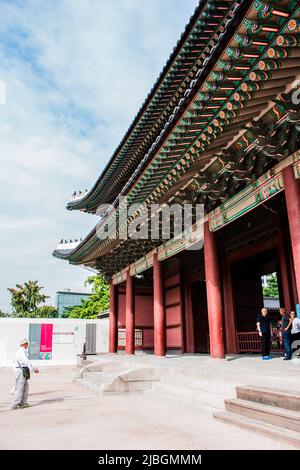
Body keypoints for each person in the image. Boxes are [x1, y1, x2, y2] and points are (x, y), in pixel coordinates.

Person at [11, 338, 39, 410]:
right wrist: (33, 368)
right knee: (19, 388)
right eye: (27, 344)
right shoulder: (21, 352)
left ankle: (23, 402)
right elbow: (25, 361)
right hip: (20, 371)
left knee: (25, 387)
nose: (28, 345)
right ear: (24, 344)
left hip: (22, 371)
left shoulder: (21, 351)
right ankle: (15, 404)